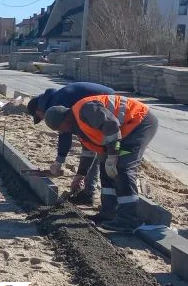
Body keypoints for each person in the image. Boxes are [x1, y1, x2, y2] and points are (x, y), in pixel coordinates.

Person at [42, 94, 159, 233]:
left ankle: (129, 219)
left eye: (60, 128)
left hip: (139, 122)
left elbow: (112, 125)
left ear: (65, 119)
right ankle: (108, 213)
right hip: (121, 133)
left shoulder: (86, 109)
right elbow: (88, 151)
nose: (62, 132)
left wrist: (113, 155)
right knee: (105, 169)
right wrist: (80, 175)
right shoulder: (78, 126)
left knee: (123, 168)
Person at [26, 82, 115, 204]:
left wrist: (59, 161)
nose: (43, 120)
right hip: (100, 107)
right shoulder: (56, 98)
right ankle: (89, 193)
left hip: (107, 108)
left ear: (38, 110)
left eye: (40, 117)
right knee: (90, 148)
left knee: (98, 150)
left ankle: (91, 194)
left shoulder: (56, 104)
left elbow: (65, 133)